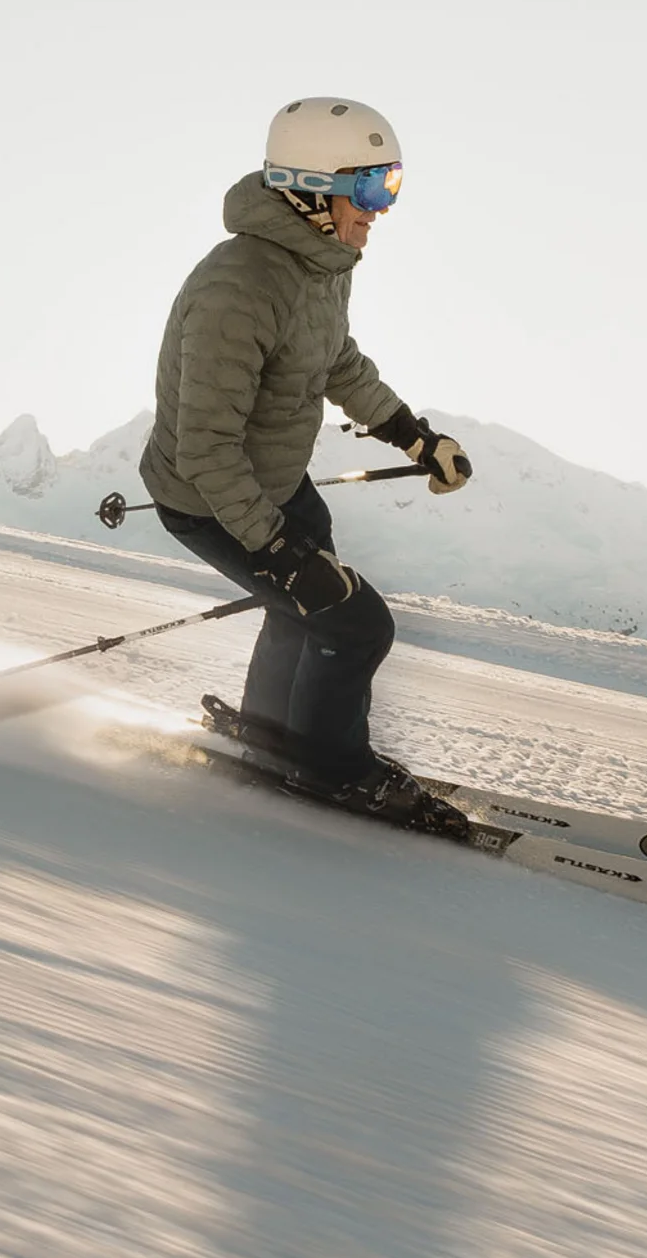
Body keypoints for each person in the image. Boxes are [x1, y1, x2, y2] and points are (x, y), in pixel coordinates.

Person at [139, 97, 472, 819]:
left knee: (306, 608)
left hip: (276, 481)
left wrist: (412, 434)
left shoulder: (322, 262)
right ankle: (328, 766)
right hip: (211, 498)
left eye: (392, 185)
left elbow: (335, 359)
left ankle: (275, 736)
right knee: (353, 622)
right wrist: (282, 553)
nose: (380, 208)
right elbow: (205, 449)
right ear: (310, 188)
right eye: (369, 188)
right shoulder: (240, 287)